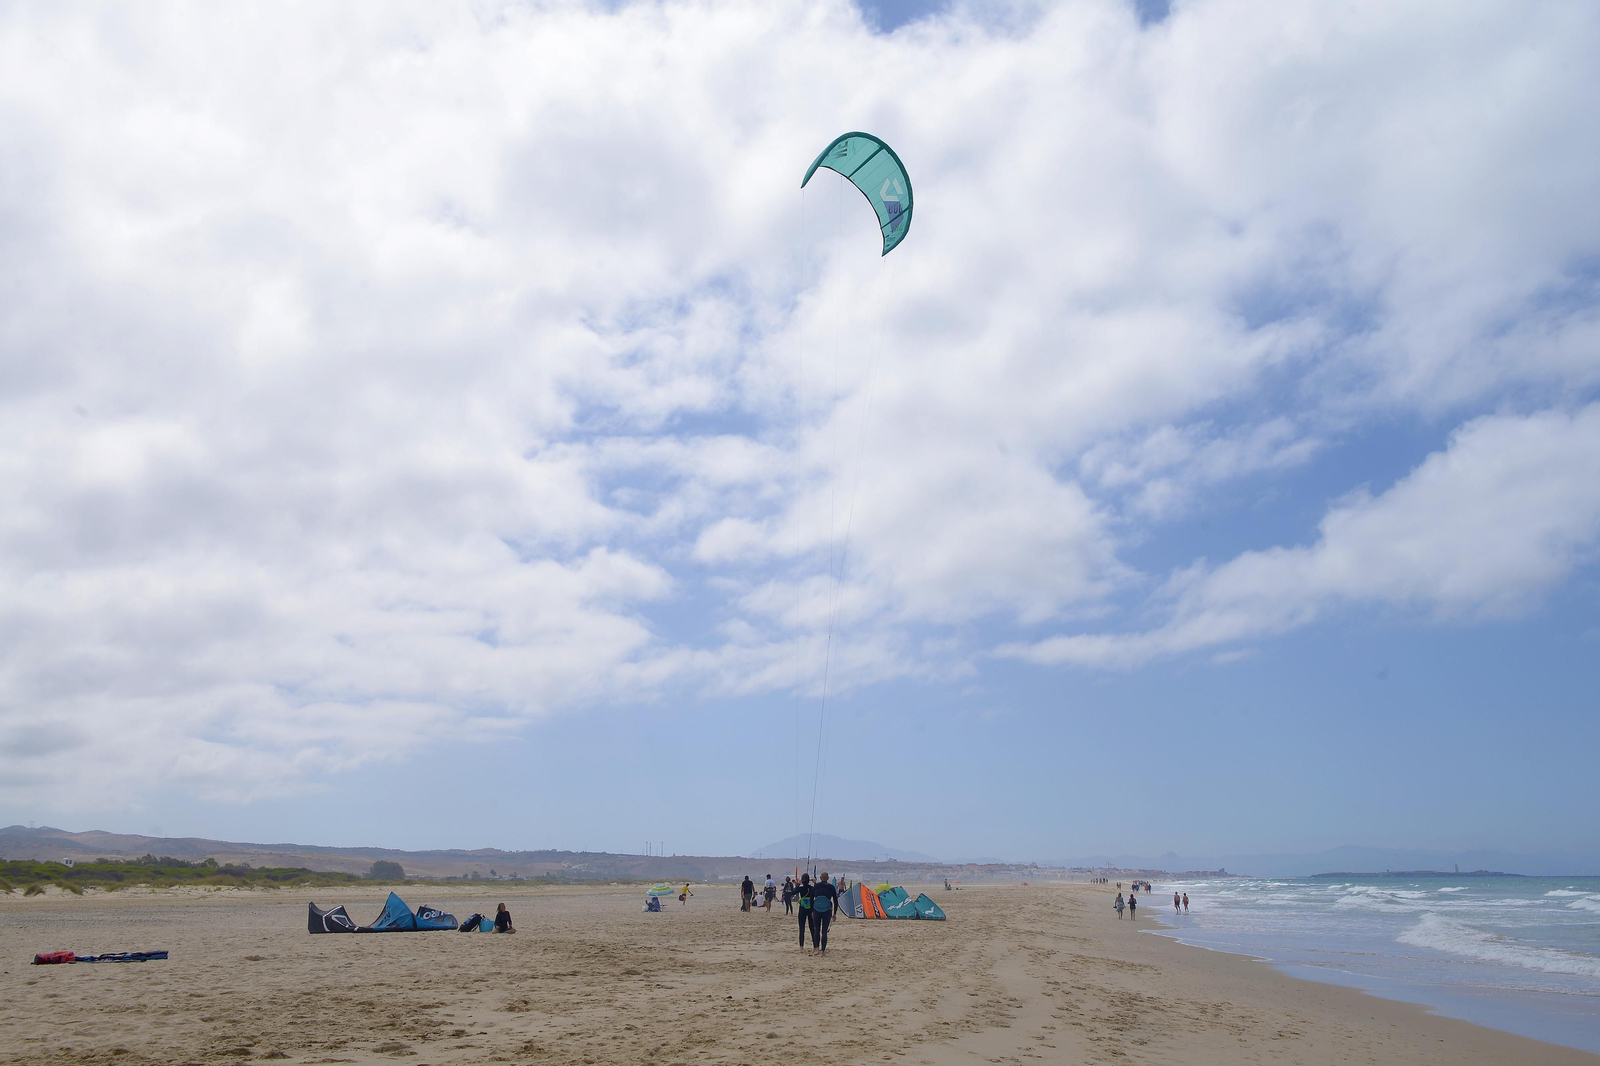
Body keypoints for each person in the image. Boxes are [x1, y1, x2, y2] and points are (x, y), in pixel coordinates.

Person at [810, 872, 837, 954]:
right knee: (824, 930)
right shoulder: (831, 887)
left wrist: (812, 911)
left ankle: (817, 949)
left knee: (816, 929)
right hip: (827, 910)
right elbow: (836, 901)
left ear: (820, 878)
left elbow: (811, 899)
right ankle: (823, 950)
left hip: (817, 910)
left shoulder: (816, 886)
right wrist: (835, 913)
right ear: (828, 878)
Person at [795, 872, 813, 949]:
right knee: (812, 928)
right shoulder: (812, 888)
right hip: (810, 909)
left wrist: (798, 884)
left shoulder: (801, 888)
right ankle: (815, 946)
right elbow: (817, 892)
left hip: (802, 908)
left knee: (801, 928)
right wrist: (815, 883)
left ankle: (801, 947)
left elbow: (793, 892)